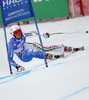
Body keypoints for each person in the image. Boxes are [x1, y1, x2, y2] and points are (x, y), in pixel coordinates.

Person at [8, 25, 84, 72]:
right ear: (13, 34)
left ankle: (63, 48)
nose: (19, 34)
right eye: (16, 33)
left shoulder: (23, 34)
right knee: (30, 51)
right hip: (23, 56)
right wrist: (17, 66)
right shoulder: (11, 44)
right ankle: (46, 56)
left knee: (41, 47)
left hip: (25, 47)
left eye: (19, 31)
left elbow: (35, 32)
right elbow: (10, 59)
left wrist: (43, 34)